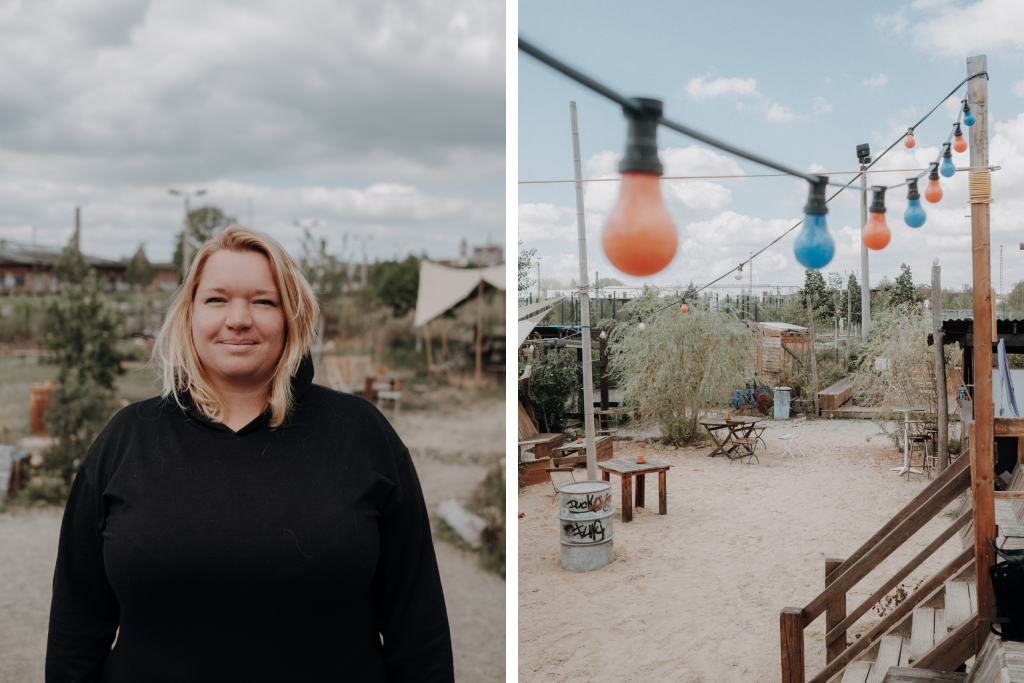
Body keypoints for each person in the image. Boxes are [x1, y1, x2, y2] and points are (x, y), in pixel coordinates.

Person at [45, 226, 454, 682]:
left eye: (263, 301)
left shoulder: (361, 434)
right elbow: (75, 629)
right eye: (216, 299)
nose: (238, 319)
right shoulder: (126, 440)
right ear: (190, 315)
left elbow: (418, 629)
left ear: (291, 316)